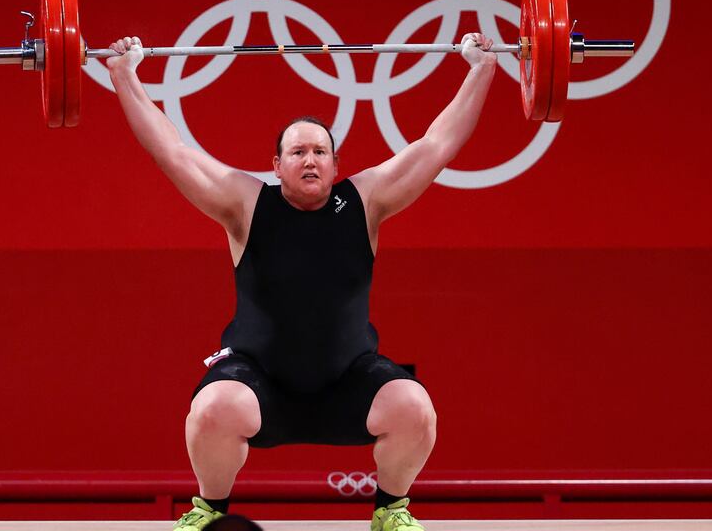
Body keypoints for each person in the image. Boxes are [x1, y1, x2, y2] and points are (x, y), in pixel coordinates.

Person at [107, 33, 498, 531]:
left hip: (347, 380)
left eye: (320, 151)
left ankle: (390, 511)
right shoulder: (245, 205)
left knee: (414, 407)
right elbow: (173, 153)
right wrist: (124, 76)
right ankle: (208, 512)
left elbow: (436, 145)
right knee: (211, 409)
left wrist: (481, 69)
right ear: (276, 166)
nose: (310, 160)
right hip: (258, 383)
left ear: (336, 166)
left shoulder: (368, 201)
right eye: (297, 152)